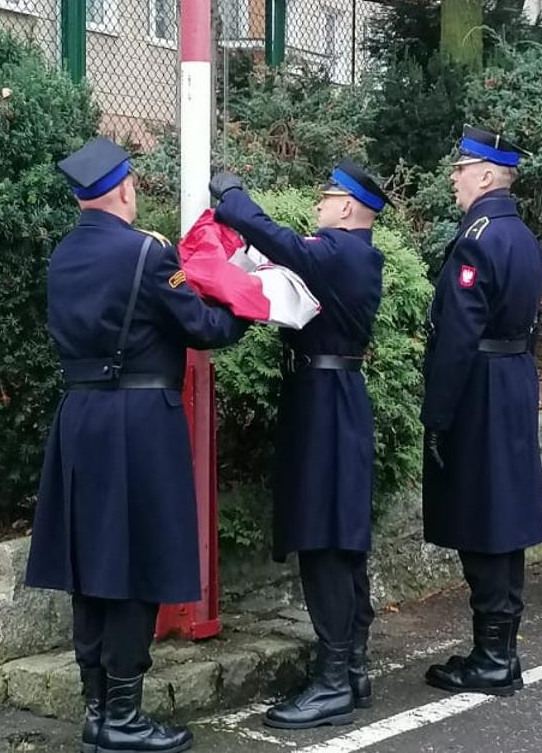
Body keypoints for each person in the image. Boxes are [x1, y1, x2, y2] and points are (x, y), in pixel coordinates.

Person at [25, 136, 249, 753]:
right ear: (125, 189)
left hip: (80, 419)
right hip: (140, 421)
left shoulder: (62, 255)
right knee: (134, 565)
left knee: (91, 568)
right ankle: (123, 717)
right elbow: (201, 327)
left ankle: (98, 710)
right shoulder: (147, 254)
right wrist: (249, 302)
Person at [207, 161, 388, 730]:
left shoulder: (346, 254)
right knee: (334, 535)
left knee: (326, 538)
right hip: (325, 394)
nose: (319, 204)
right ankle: (349, 668)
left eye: (327, 197)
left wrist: (233, 198)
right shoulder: (340, 255)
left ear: (349, 208)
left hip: (327, 402)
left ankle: (335, 680)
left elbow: (286, 245)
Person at [421, 125, 542, 696]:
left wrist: (438, 415)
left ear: (489, 175)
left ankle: (492, 658)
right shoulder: (519, 234)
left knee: (485, 519)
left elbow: (456, 336)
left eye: (463, 167)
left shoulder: (478, 237)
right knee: (504, 518)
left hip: (481, 388)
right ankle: (501, 651)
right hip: (513, 378)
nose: (454, 176)